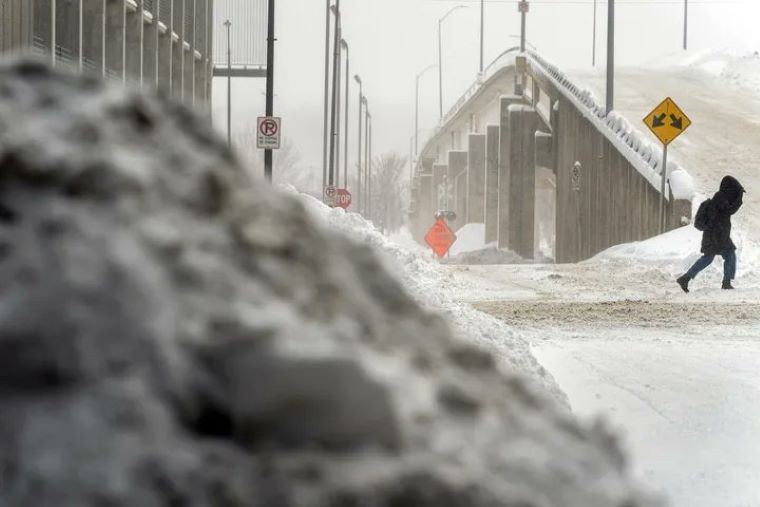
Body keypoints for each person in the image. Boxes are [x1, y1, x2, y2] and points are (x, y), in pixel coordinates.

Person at [677, 176, 745, 292]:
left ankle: (687, 278)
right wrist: (739, 199)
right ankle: (687, 278)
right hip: (716, 235)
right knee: (713, 258)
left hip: (717, 235)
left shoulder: (720, 197)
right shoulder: (720, 197)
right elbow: (729, 210)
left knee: (724, 256)